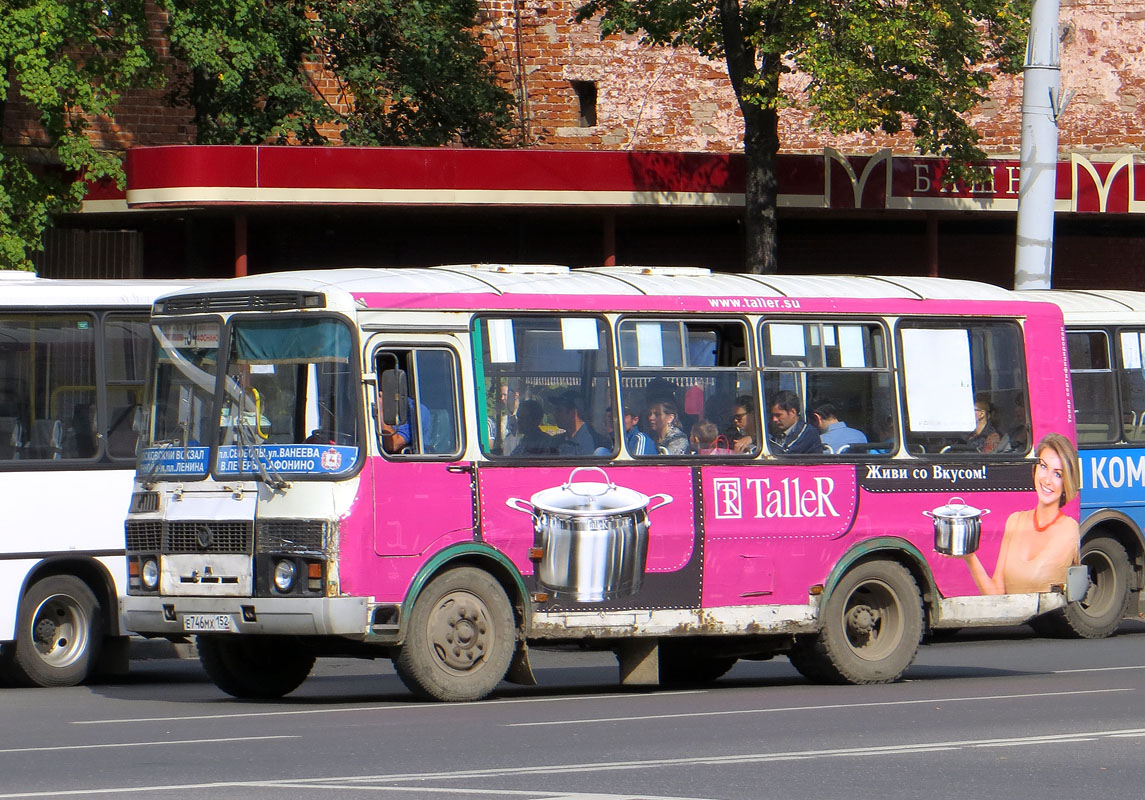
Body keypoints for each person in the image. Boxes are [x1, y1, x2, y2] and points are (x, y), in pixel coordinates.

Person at [958, 432, 1081, 594]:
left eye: (1057, 474)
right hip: (1013, 619)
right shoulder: (1015, 521)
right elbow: (996, 593)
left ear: (1066, 483)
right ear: (1034, 469)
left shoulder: (1068, 529)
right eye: (1043, 467)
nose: (1047, 480)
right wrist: (969, 556)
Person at [551, 390, 609, 455]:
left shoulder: (589, 441)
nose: (555, 414)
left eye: (559, 410)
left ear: (573, 414)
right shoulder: (559, 440)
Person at [767, 390, 823, 454]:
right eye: (772, 415)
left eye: (778, 415)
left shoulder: (809, 432)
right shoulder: (773, 432)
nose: (774, 419)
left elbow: (786, 453)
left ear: (793, 412)